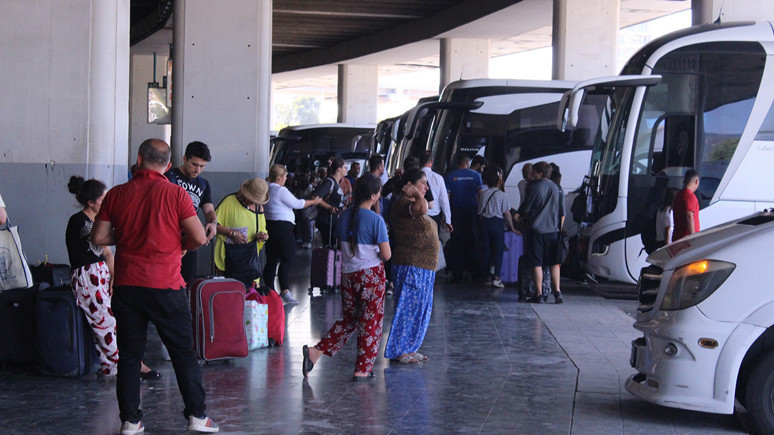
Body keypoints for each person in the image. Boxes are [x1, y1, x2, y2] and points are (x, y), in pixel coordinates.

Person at [91, 139, 218, 434]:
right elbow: (199, 238)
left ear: (138, 159)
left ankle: (130, 422)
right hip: (166, 285)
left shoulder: (117, 194)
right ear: (169, 165)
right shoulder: (176, 194)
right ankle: (197, 417)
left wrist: (127, 238)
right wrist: (178, 243)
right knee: (183, 353)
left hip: (127, 286)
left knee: (130, 356)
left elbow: (98, 238)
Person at [66, 176, 159, 381]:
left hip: (99, 274)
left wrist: (113, 278)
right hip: (87, 275)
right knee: (105, 322)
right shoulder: (79, 221)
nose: (107, 204)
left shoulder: (97, 223)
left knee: (110, 321)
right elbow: (104, 241)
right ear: (91, 202)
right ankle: (130, 364)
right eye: (103, 199)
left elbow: (107, 253)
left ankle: (114, 367)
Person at [302, 174, 390, 380]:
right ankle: (363, 369)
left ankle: (315, 352)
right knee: (371, 322)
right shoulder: (376, 220)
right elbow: (386, 255)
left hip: (348, 275)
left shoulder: (343, 216)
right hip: (370, 276)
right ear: (374, 195)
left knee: (350, 320)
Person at [384, 169, 439, 364]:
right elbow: (422, 209)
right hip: (411, 265)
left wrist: (417, 193)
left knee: (420, 310)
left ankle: (410, 347)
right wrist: (415, 193)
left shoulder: (414, 203)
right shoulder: (402, 205)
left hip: (424, 266)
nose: (426, 187)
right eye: (422, 183)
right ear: (410, 185)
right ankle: (399, 350)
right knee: (407, 309)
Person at [263, 164, 322, 305]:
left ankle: (269, 291)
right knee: (287, 257)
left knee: (272, 259)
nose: (286, 179)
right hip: (283, 228)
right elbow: (297, 203)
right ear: (279, 177)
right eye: (284, 176)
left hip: (270, 226)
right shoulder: (279, 190)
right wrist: (314, 201)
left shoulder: (267, 189)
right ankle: (285, 291)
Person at [164, 141, 218, 284]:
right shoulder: (169, 176)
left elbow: (209, 210)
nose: (198, 170)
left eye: (202, 166)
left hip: (189, 238)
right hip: (168, 237)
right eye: (194, 164)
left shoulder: (203, 184)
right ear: (184, 159)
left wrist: (212, 223)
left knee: (187, 280)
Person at [518, 161, 564, 304]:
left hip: (537, 231)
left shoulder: (534, 188)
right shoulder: (557, 188)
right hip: (553, 231)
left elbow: (526, 209)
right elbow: (562, 213)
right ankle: (557, 292)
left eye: (534, 172)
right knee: (554, 263)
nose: (532, 174)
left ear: (540, 173)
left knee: (536, 263)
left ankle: (539, 294)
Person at [213, 178, 270, 290]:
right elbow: (213, 225)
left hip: (249, 262)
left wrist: (262, 236)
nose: (253, 202)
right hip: (228, 260)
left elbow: (263, 229)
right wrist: (232, 233)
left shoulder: (259, 208)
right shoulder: (229, 201)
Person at [446, 154, 484, 282]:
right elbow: (480, 195)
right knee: (472, 241)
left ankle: (457, 273)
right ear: (467, 163)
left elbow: (448, 196)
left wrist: (447, 215)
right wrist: (480, 211)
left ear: (458, 163)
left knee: (457, 242)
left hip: (456, 212)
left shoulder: (451, 176)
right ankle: (474, 273)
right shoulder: (476, 175)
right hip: (471, 212)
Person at [478, 168, 518, 288]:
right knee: (498, 251)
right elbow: (506, 213)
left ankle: (486, 277)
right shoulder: (502, 195)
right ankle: (496, 277)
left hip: (485, 223)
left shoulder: (484, 194)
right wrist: (512, 227)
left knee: (487, 250)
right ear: (498, 182)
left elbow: (479, 210)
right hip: (497, 223)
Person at [312, 158, 346, 247]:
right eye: (345, 167)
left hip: (334, 220)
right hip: (327, 220)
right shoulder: (329, 182)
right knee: (329, 245)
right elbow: (315, 197)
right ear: (339, 169)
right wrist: (329, 207)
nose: (346, 170)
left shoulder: (337, 183)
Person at [420, 151, 452, 234]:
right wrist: (447, 220)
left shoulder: (415, 176)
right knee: (433, 244)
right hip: (433, 218)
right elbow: (443, 200)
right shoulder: (438, 178)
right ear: (431, 161)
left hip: (418, 216)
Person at [672, 169, 700, 242]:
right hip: (686, 239)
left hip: (677, 237)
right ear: (696, 181)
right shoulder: (690, 196)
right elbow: (689, 216)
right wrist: (693, 237)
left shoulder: (679, 195)